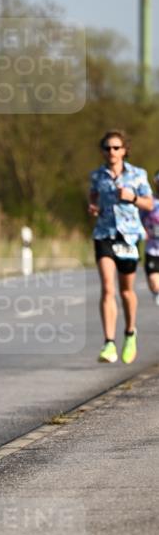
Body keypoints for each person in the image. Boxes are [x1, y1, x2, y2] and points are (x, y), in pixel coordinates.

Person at [88, 130, 153, 364]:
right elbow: (93, 197)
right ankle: (108, 343)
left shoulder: (137, 174)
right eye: (107, 148)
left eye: (116, 147)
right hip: (104, 233)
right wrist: (93, 206)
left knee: (126, 291)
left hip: (129, 236)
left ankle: (130, 333)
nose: (111, 152)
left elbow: (149, 203)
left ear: (124, 150)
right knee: (107, 287)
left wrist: (132, 197)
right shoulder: (97, 175)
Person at [140, 170, 159, 307]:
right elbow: (138, 220)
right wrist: (143, 230)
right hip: (153, 249)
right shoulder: (149, 201)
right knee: (155, 284)